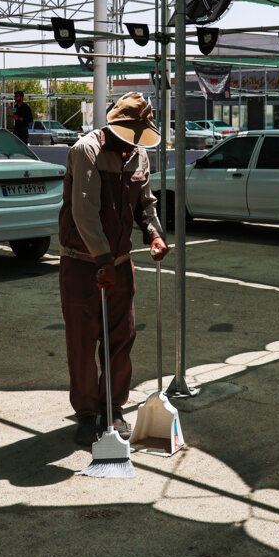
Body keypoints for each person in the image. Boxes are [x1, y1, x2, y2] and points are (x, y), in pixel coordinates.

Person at [59, 93, 168, 445]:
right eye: (128, 133)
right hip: (81, 264)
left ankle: (112, 408)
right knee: (82, 339)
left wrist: (154, 234)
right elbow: (84, 210)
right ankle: (87, 412)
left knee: (120, 338)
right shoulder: (84, 150)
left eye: (138, 134)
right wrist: (102, 259)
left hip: (119, 264)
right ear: (114, 126)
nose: (131, 143)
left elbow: (145, 203)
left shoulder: (140, 154)